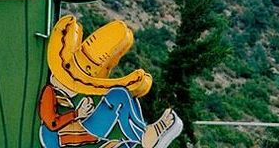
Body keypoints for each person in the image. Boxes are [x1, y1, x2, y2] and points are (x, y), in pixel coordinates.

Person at [39, 15, 182, 148]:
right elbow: (51, 122)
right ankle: (145, 136)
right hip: (67, 139)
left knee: (122, 98)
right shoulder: (50, 92)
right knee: (117, 95)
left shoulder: (77, 95)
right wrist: (77, 114)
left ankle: (144, 135)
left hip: (90, 136)